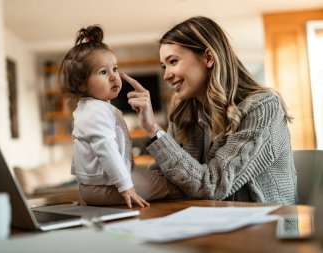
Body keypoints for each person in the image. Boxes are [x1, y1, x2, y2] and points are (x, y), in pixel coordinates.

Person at [121, 16, 297, 204]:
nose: (166, 75)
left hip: (267, 227)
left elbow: (212, 186)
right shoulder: (185, 112)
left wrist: (155, 130)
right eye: (164, 66)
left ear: (208, 58)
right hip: (211, 220)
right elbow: (164, 178)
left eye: (173, 62)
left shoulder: (262, 108)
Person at [58, 25, 184, 208]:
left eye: (115, 69)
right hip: (104, 188)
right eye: (103, 72)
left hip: (99, 186)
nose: (113, 77)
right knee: (173, 183)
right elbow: (106, 148)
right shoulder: (95, 111)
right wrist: (126, 186)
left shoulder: (96, 108)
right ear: (81, 85)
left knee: (160, 177)